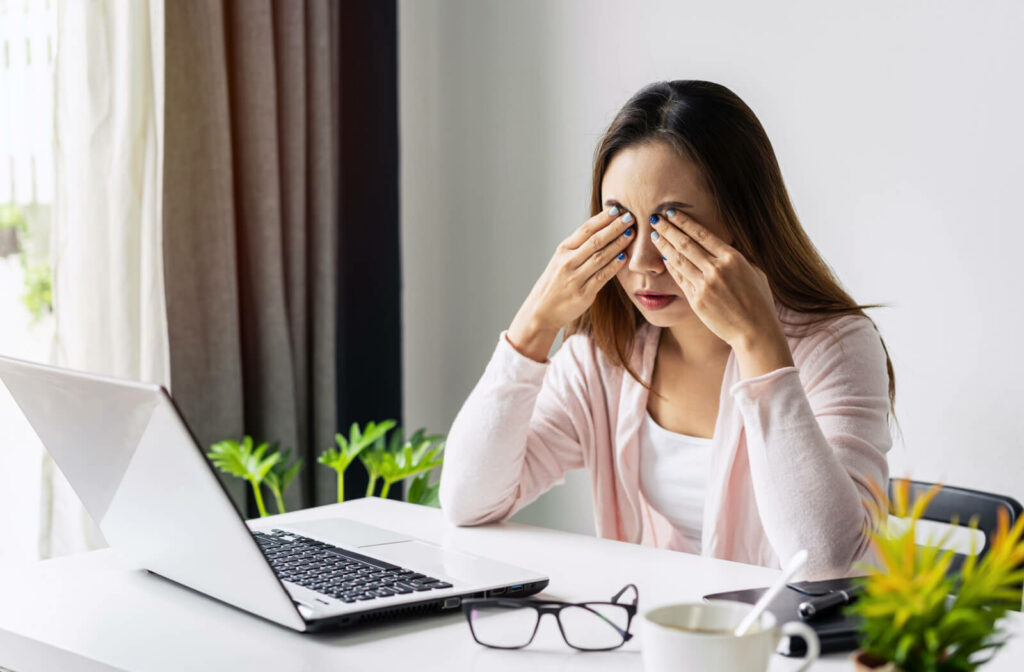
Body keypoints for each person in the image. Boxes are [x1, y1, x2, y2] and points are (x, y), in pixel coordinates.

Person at [438, 80, 895, 579]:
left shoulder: (836, 347)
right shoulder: (604, 359)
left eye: (669, 224)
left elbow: (826, 561)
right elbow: (468, 501)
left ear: (742, 221)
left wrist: (758, 344)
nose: (642, 262)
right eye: (622, 222)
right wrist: (535, 323)